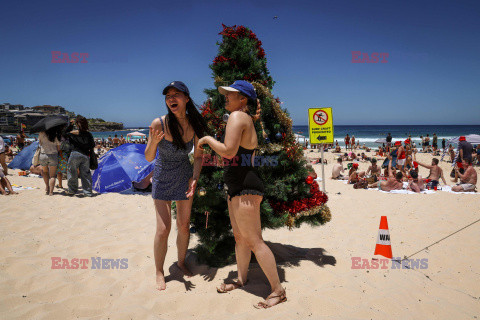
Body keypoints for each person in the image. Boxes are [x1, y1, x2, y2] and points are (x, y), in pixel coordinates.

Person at [198, 80, 286, 308]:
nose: (225, 97)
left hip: (245, 187)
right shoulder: (243, 118)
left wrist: (207, 139)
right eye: (225, 94)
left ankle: (278, 290)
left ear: (243, 99)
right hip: (239, 186)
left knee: (255, 241)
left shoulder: (237, 117)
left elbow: (228, 152)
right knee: (240, 238)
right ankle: (241, 279)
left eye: (230, 94)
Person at [145, 81, 208, 291]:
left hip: (184, 176)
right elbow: (148, 157)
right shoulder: (158, 123)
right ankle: (159, 271)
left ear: (187, 99)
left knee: (183, 225)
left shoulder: (195, 125)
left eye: (176, 94)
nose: (171, 98)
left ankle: (180, 262)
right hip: (162, 176)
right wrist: (153, 142)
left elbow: (198, 156)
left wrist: (195, 178)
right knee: (163, 230)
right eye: (168, 96)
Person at [64, 115, 95, 197]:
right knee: (86, 174)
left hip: (75, 153)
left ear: (77, 124)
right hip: (85, 155)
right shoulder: (88, 134)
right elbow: (92, 145)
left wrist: (70, 125)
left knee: (72, 172)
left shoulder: (73, 133)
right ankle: (87, 192)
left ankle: (72, 190)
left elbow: (64, 134)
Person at [38, 127, 62, 195]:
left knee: (45, 172)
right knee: (52, 175)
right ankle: (51, 192)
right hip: (53, 155)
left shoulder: (41, 133)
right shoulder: (55, 134)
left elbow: (40, 143)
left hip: (43, 154)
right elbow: (58, 147)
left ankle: (47, 187)